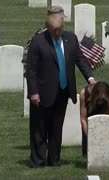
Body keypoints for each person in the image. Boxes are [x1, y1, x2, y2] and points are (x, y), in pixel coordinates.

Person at [25, 6, 96, 168]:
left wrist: (90, 78)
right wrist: (34, 92)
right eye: (55, 30)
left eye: (60, 29)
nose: (58, 33)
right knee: (39, 129)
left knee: (57, 128)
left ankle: (54, 159)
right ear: (48, 28)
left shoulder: (70, 39)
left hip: (63, 92)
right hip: (42, 93)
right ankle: (38, 160)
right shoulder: (38, 41)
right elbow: (31, 69)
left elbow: (80, 59)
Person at [79, 81, 109, 157]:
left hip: (104, 117)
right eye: (98, 100)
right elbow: (83, 119)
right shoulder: (84, 93)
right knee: (87, 154)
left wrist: (104, 137)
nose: (100, 102)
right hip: (89, 120)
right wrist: (89, 136)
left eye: (102, 100)